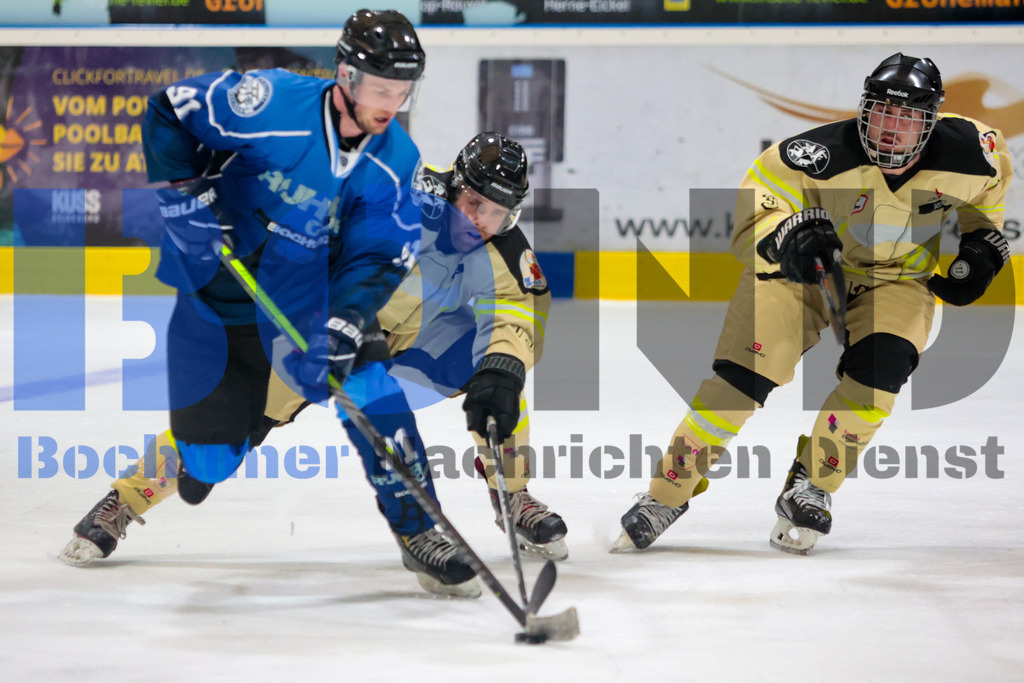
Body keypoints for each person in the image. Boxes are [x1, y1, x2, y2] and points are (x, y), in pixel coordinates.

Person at [60, 9, 484, 599]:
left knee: (373, 391)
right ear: (347, 74)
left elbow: (380, 254)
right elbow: (168, 112)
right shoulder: (270, 103)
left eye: (403, 90)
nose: (392, 103)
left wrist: (347, 319)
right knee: (209, 461)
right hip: (222, 298)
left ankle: (422, 532)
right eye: (383, 88)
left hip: (310, 299)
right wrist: (185, 197)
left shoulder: (396, 161)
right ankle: (162, 479)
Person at [613, 52, 1013, 555]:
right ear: (864, 109)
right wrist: (787, 235)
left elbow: (988, 203)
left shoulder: (978, 152)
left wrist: (982, 248)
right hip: (800, 272)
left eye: (907, 119)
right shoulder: (812, 155)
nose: (890, 130)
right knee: (740, 383)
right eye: (882, 113)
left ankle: (811, 486)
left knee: (877, 380)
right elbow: (750, 219)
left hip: (895, 279)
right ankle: (663, 497)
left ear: (931, 122)